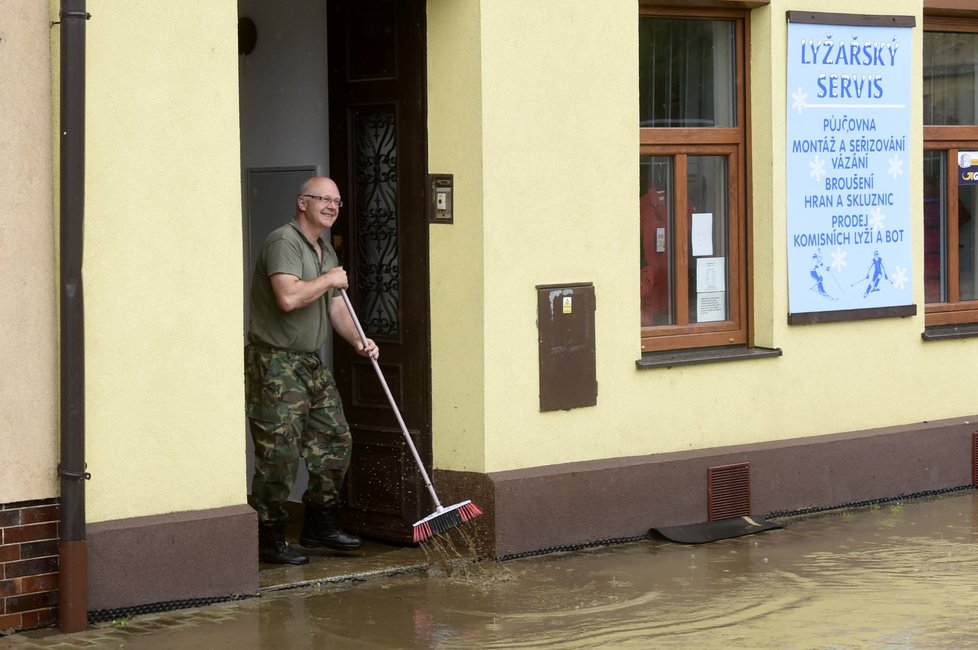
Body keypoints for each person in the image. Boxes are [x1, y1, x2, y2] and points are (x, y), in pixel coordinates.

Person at [245, 176, 379, 565]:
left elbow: (336, 307)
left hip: (309, 363)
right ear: (302, 202)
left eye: (337, 201)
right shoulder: (283, 242)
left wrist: (358, 339)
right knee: (279, 453)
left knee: (335, 441)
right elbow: (288, 297)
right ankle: (268, 535)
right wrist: (328, 280)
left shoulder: (325, 252)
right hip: (275, 363)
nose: (332, 206)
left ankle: (320, 523)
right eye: (324, 199)